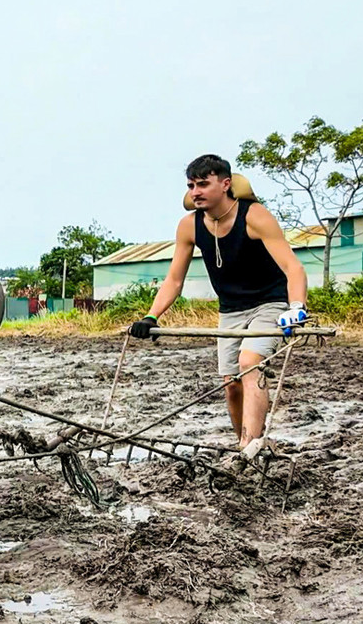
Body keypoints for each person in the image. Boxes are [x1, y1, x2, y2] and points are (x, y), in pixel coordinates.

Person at [128, 154, 308, 455]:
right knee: (231, 383)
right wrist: (150, 316)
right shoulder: (190, 226)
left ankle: (248, 446)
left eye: (203, 184)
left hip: (271, 304)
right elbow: (174, 280)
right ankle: (246, 444)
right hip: (231, 310)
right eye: (191, 185)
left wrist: (296, 307)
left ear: (225, 184)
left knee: (250, 363)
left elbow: (293, 268)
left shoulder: (254, 215)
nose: (195, 191)